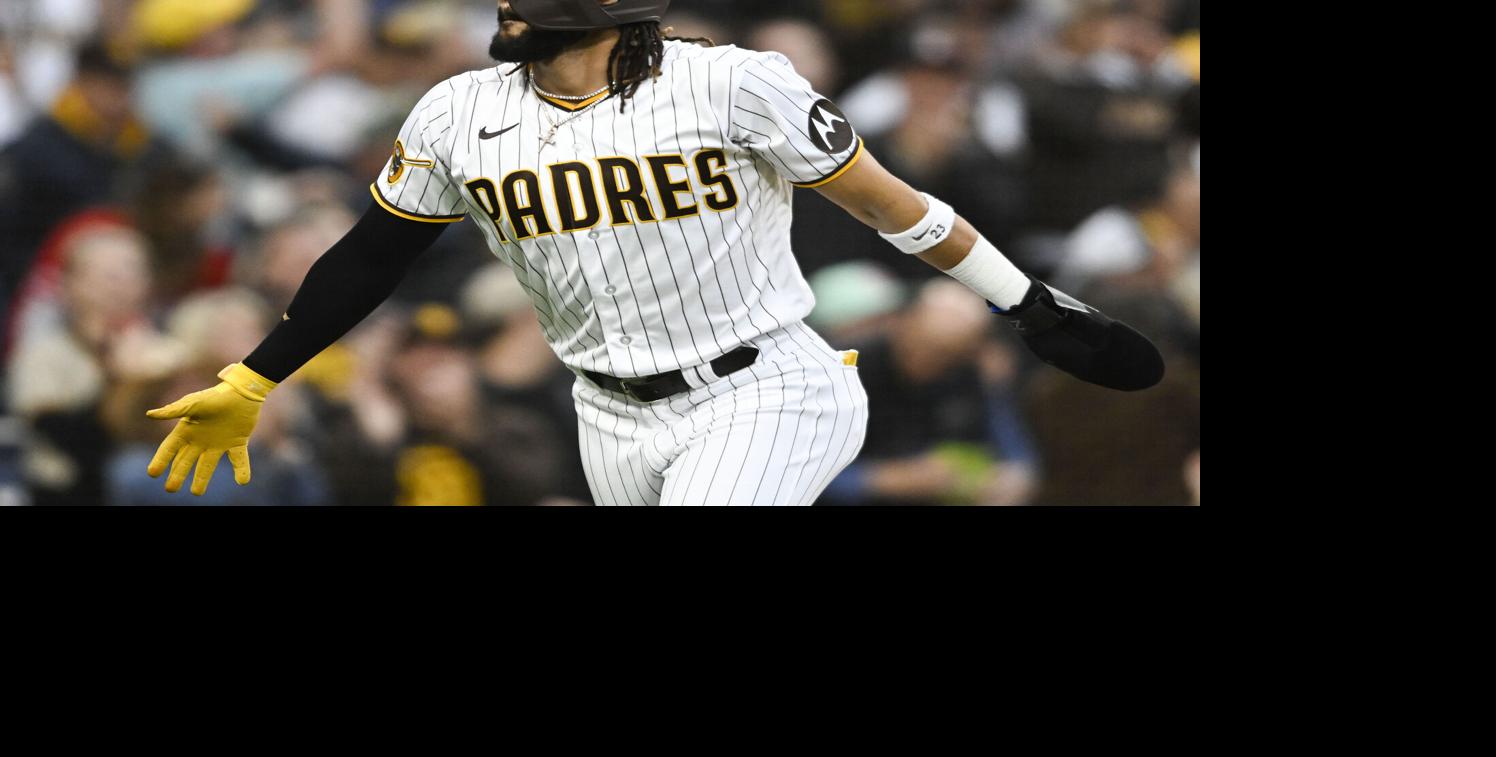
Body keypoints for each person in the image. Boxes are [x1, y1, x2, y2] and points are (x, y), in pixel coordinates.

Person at [146, 0, 1154, 505]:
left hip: (764, 384)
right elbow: (373, 256)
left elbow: (894, 206)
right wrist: (255, 372)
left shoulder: (733, 85)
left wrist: (1025, 302)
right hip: (607, 413)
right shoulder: (457, 110)